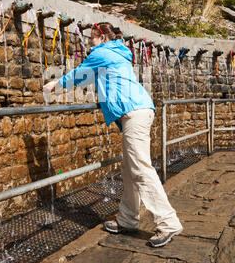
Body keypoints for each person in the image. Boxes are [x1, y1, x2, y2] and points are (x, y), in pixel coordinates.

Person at [43, 22, 183, 247]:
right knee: (129, 169)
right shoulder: (117, 52)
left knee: (140, 168)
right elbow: (90, 78)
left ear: (103, 38)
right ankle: (128, 219)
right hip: (137, 110)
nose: (90, 42)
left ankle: (168, 223)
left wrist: (55, 85)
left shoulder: (103, 52)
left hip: (133, 113)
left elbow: (80, 74)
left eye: (93, 37)